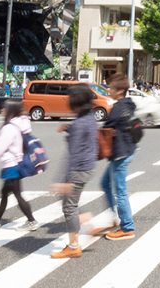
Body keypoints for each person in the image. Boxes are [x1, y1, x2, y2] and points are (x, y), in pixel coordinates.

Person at [50, 85, 98, 259]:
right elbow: (83, 132)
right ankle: (87, 223)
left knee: (68, 207)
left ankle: (73, 245)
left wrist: (65, 180)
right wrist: (68, 128)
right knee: (70, 202)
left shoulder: (79, 123)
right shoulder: (90, 117)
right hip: (88, 166)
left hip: (77, 169)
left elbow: (74, 154)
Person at [0, 101, 39, 231]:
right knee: (5, 193)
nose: (1, 109)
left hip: (12, 165)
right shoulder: (19, 124)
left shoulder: (9, 128)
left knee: (17, 194)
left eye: (4, 107)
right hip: (16, 164)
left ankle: (31, 220)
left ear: (10, 110)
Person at [99, 73, 138, 240]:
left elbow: (107, 128)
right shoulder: (128, 104)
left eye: (112, 88)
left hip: (120, 153)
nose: (109, 90)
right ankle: (115, 217)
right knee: (105, 183)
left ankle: (127, 226)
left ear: (120, 90)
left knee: (120, 191)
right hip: (126, 150)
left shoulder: (118, 108)